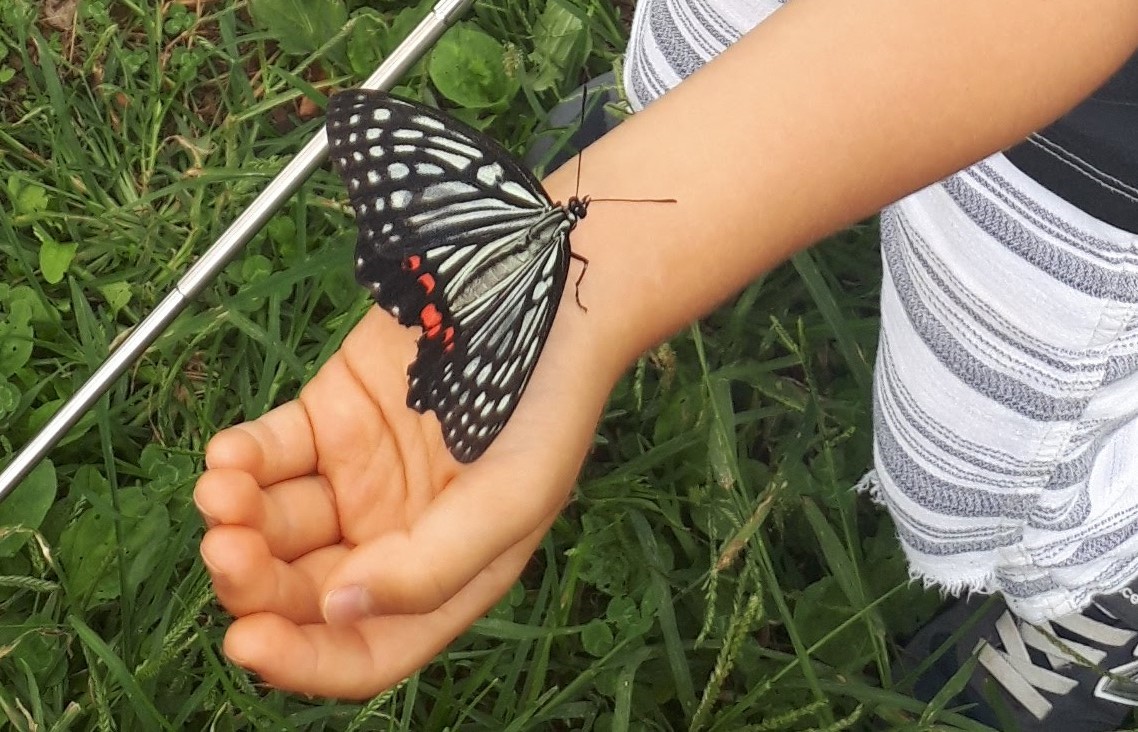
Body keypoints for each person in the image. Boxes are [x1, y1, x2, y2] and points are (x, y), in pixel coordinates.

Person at [193, 0, 1138, 726]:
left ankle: (1101, 584)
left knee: (1005, 423)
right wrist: (657, 174)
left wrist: (617, 262)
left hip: (1081, 139)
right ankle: (676, 127)